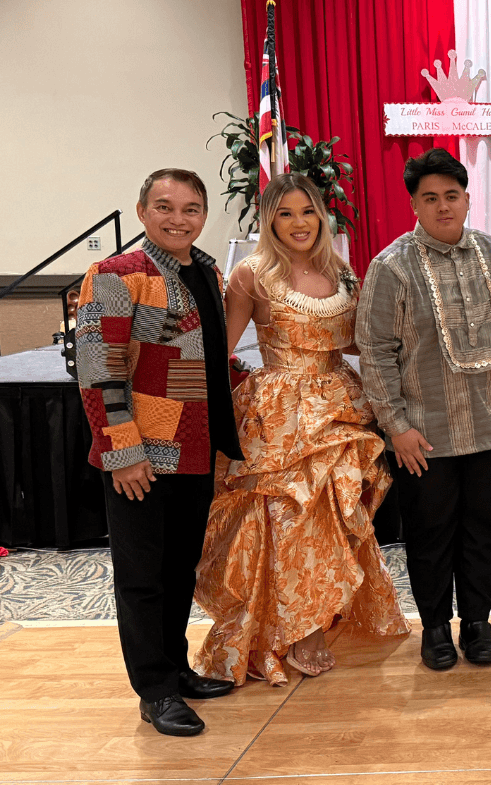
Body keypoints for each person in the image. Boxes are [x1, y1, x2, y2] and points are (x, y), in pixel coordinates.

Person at [193, 173, 408, 686]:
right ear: (269, 220)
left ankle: (312, 619)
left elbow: (359, 342)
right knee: (286, 520)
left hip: (340, 406)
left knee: (335, 519)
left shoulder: (344, 274)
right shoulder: (252, 275)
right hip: (282, 413)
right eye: (285, 214)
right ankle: (288, 630)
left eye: (307, 212)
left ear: (321, 217)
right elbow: (220, 347)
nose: (298, 223)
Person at [74, 169, 243, 736]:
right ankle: (155, 690)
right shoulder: (117, 275)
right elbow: (100, 371)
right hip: (144, 453)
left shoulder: (208, 270)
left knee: (178, 572)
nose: (178, 219)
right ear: (142, 211)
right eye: (165, 207)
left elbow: (204, 355)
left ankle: (175, 670)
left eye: (191, 209)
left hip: (194, 451)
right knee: (143, 578)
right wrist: (122, 451)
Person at [357, 148, 491, 670]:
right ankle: (434, 627)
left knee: (484, 531)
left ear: (468, 199)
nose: (443, 207)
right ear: (414, 204)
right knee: (431, 534)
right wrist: (396, 427)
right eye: (430, 198)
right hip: (424, 434)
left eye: (451, 196)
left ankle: (477, 622)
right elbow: (375, 350)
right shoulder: (391, 266)